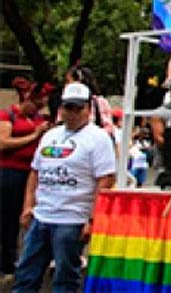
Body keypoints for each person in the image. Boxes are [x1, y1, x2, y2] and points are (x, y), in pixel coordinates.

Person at [14, 82, 115, 293]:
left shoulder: (99, 138)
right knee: (25, 273)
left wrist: (92, 219)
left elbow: (105, 180)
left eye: (79, 107)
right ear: (61, 108)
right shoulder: (51, 135)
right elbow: (35, 172)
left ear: (88, 108)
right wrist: (28, 206)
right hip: (42, 215)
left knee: (65, 277)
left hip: (72, 218)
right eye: (69, 107)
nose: (74, 113)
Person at [0, 79, 51, 280]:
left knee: (23, 216)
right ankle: (5, 260)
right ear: (26, 99)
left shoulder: (38, 118)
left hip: (30, 172)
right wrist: (34, 135)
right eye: (36, 104)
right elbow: (3, 143)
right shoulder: (8, 115)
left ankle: (14, 259)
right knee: (6, 216)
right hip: (9, 171)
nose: (38, 109)